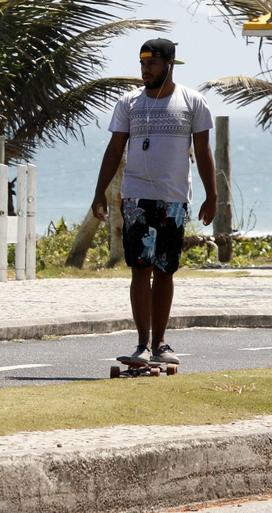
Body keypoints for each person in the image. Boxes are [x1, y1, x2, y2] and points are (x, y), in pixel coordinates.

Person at [91, 38, 217, 365]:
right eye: (142, 63)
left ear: (169, 64)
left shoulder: (193, 101)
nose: (145, 69)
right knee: (140, 268)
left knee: (164, 270)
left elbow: (203, 152)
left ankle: (161, 344)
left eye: (152, 63)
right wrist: (100, 193)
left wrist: (212, 195)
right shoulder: (128, 103)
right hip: (136, 198)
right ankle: (142, 345)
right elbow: (114, 150)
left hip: (174, 199)